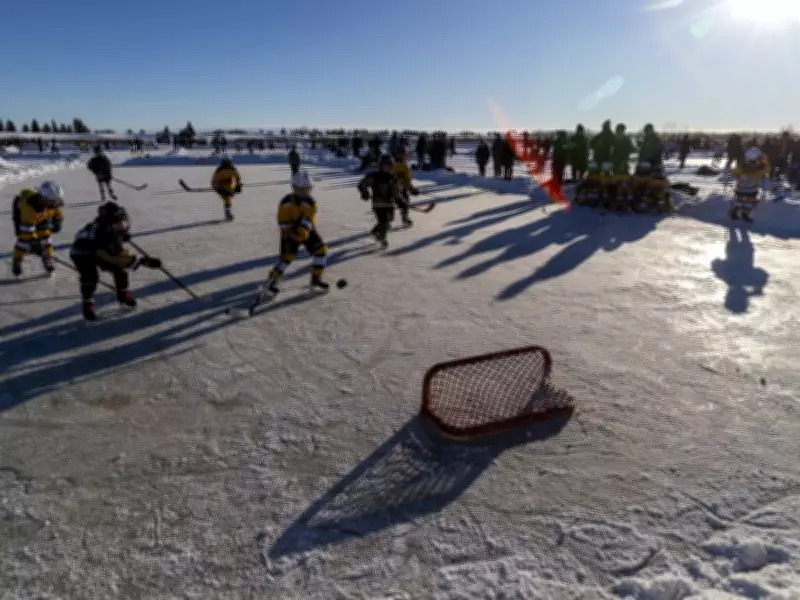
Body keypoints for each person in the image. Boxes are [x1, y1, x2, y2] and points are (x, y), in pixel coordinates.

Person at [69, 202, 162, 320]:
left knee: (120, 271)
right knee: (90, 277)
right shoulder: (101, 237)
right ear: (109, 224)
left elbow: (117, 251)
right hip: (82, 254)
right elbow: (116, 256)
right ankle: (87, 304)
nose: (123, 224)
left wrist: (121, 236)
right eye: (119, 223)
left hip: (100, 250)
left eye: (123, 221)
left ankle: (123, 294)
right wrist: (144, 261)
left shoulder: (108, 230)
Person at [258, 171, 329, 300]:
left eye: (308, 189)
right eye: (302, 189)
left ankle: (316, 279)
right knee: (287, 257)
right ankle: (272, 282)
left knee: (321, 250)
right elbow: (282, 221)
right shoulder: (286, 202)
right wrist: (291, 234)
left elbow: (308, 220)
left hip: (307, 230)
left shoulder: (311, 202)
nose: (305, 192)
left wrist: (302, 234)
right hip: (289, 231)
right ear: (294, 188)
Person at [11, 180, 64, 277]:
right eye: (52, 200)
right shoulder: (29, 206)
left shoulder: (53, 203)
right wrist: (34, 244)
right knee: (23, 240)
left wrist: (57, 221)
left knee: (46, 236)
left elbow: (57, 212)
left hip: (41, 216)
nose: (55, 203)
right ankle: (17, 259)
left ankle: (47, 257)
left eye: (56, 200)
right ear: (43, 198)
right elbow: (27, 230)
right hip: (23, 217)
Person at [357, 155, 403, 249]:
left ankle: (375, 232)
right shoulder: (375, 176)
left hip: (389, 204)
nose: (387, 167)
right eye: (385, 165)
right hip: (378, 204)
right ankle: (382, 238)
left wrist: (400, 201)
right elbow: (362, 183)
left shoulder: (392, 178)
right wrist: (364, 191)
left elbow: (396, 191)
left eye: (389, 165)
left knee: (389, 221)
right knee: (384, 221)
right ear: (381, 165)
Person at [731, 147, 770, 221]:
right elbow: (767, 170)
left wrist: (738, 176)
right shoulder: (760, 168)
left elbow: (735, 172)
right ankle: (745, 214)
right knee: (749, 202)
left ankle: (735, 213)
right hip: (752, 190)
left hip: (740, 189)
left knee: (739, 200)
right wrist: (765, 161)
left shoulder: (742, 167)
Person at [391, 146, 420, 227]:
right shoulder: (395, 165)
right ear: (397, 155)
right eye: (401, 154)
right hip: (395, 189)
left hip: (402, 189)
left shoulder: (406, 165)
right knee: (400, 202)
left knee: (405, 202)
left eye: (405, 154)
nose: (404, 156)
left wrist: (412, 188)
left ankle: (405, 217)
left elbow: (407, 180)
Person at [211, 157, 242, 221]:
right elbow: (214, 181)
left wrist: (238, 185)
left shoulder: (232, 169)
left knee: (227, 197)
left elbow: (237, 178)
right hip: (221, 185)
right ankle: (228, 212)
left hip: (229, 184)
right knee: (227, 197)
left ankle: (228, 212)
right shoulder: (220, 170)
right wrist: (217, 187)